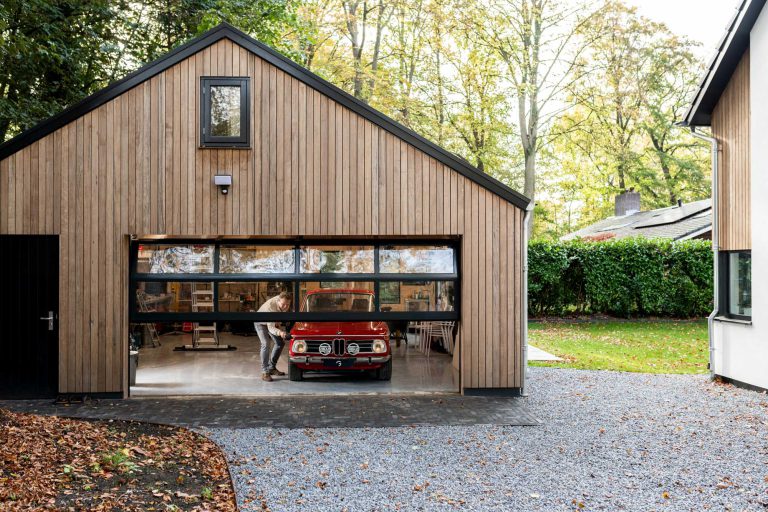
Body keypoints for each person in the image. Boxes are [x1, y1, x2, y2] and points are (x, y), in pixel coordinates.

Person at [254, 292, 292, 382]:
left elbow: (279, 317)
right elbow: (270, 328)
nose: (286, 307)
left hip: (271, 322)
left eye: (288, 304)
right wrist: (281, 333)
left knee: (280, 343)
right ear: (278, 301)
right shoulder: (270, 308)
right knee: (266, 344)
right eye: (283, 304)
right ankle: (265, 372)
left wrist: (279, 325)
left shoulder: (283, 302)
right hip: (260, 322)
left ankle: (272, 367)